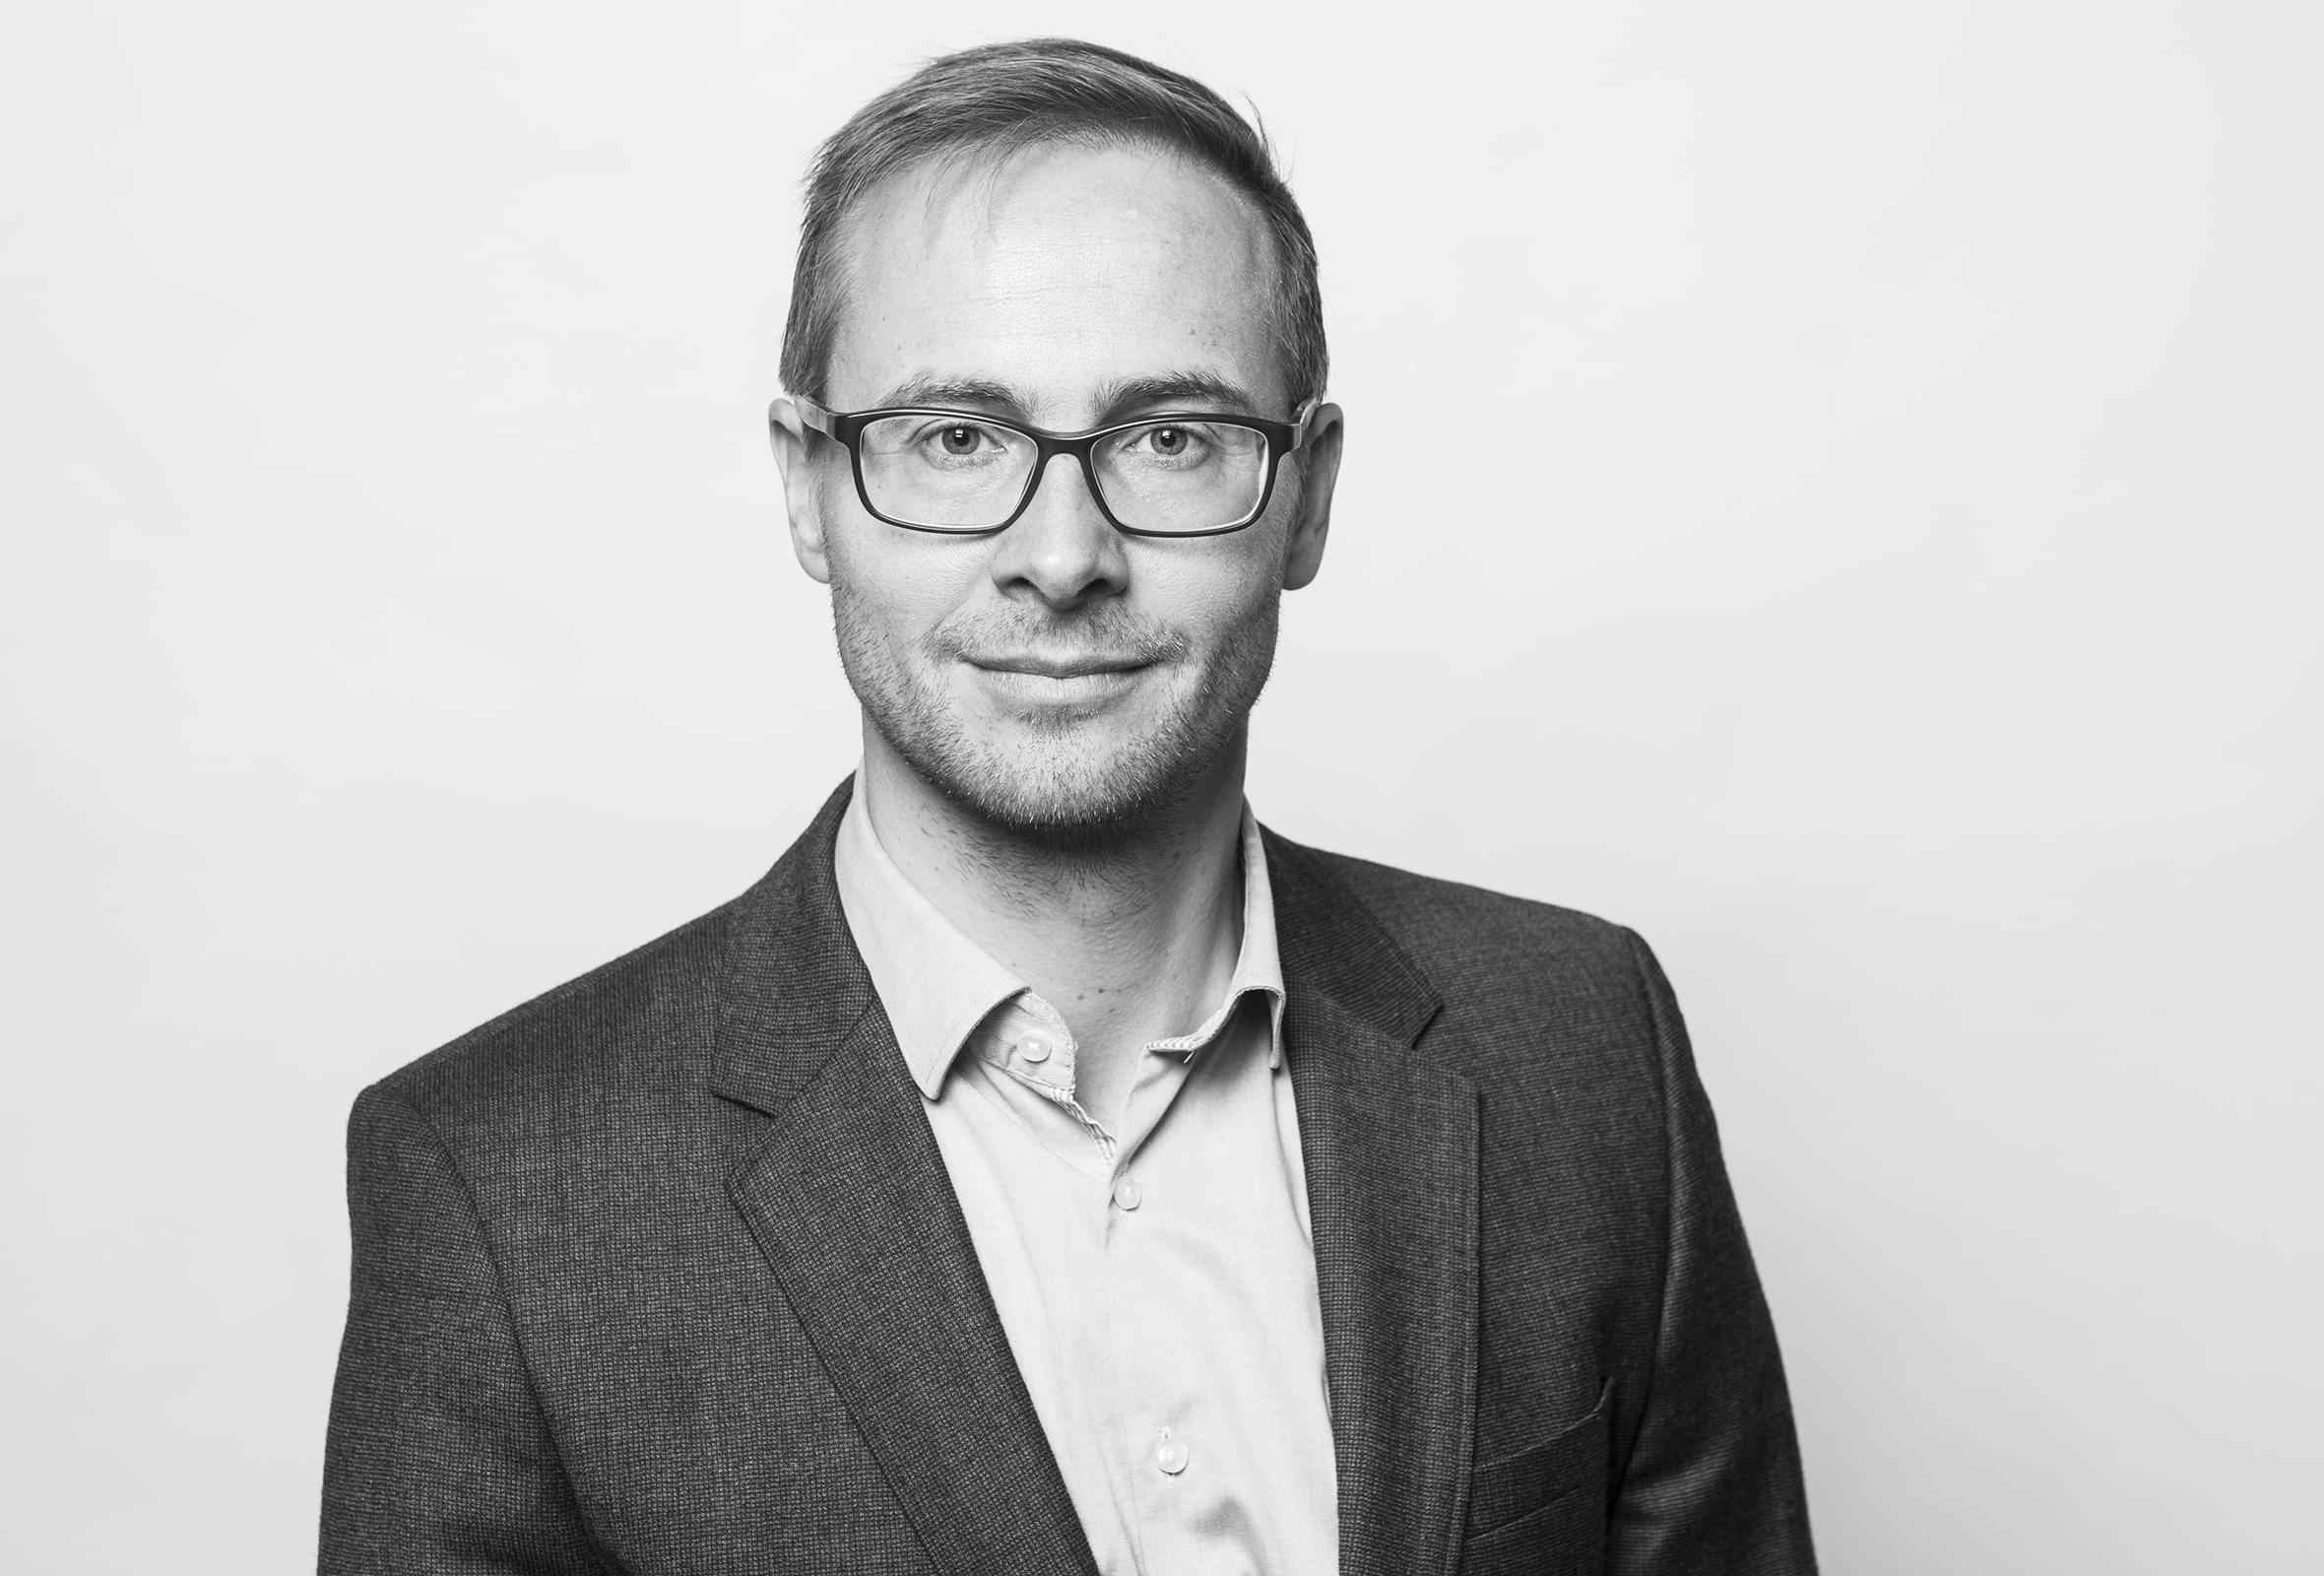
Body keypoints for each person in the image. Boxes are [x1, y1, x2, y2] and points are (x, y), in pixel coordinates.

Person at [319, 36, 1817, 1576]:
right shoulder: (499, 1189)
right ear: (807, 486)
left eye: (1171, 439)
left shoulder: (1583, 1049)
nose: (1060, 556)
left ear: (1307, 493)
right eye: (956, 438)